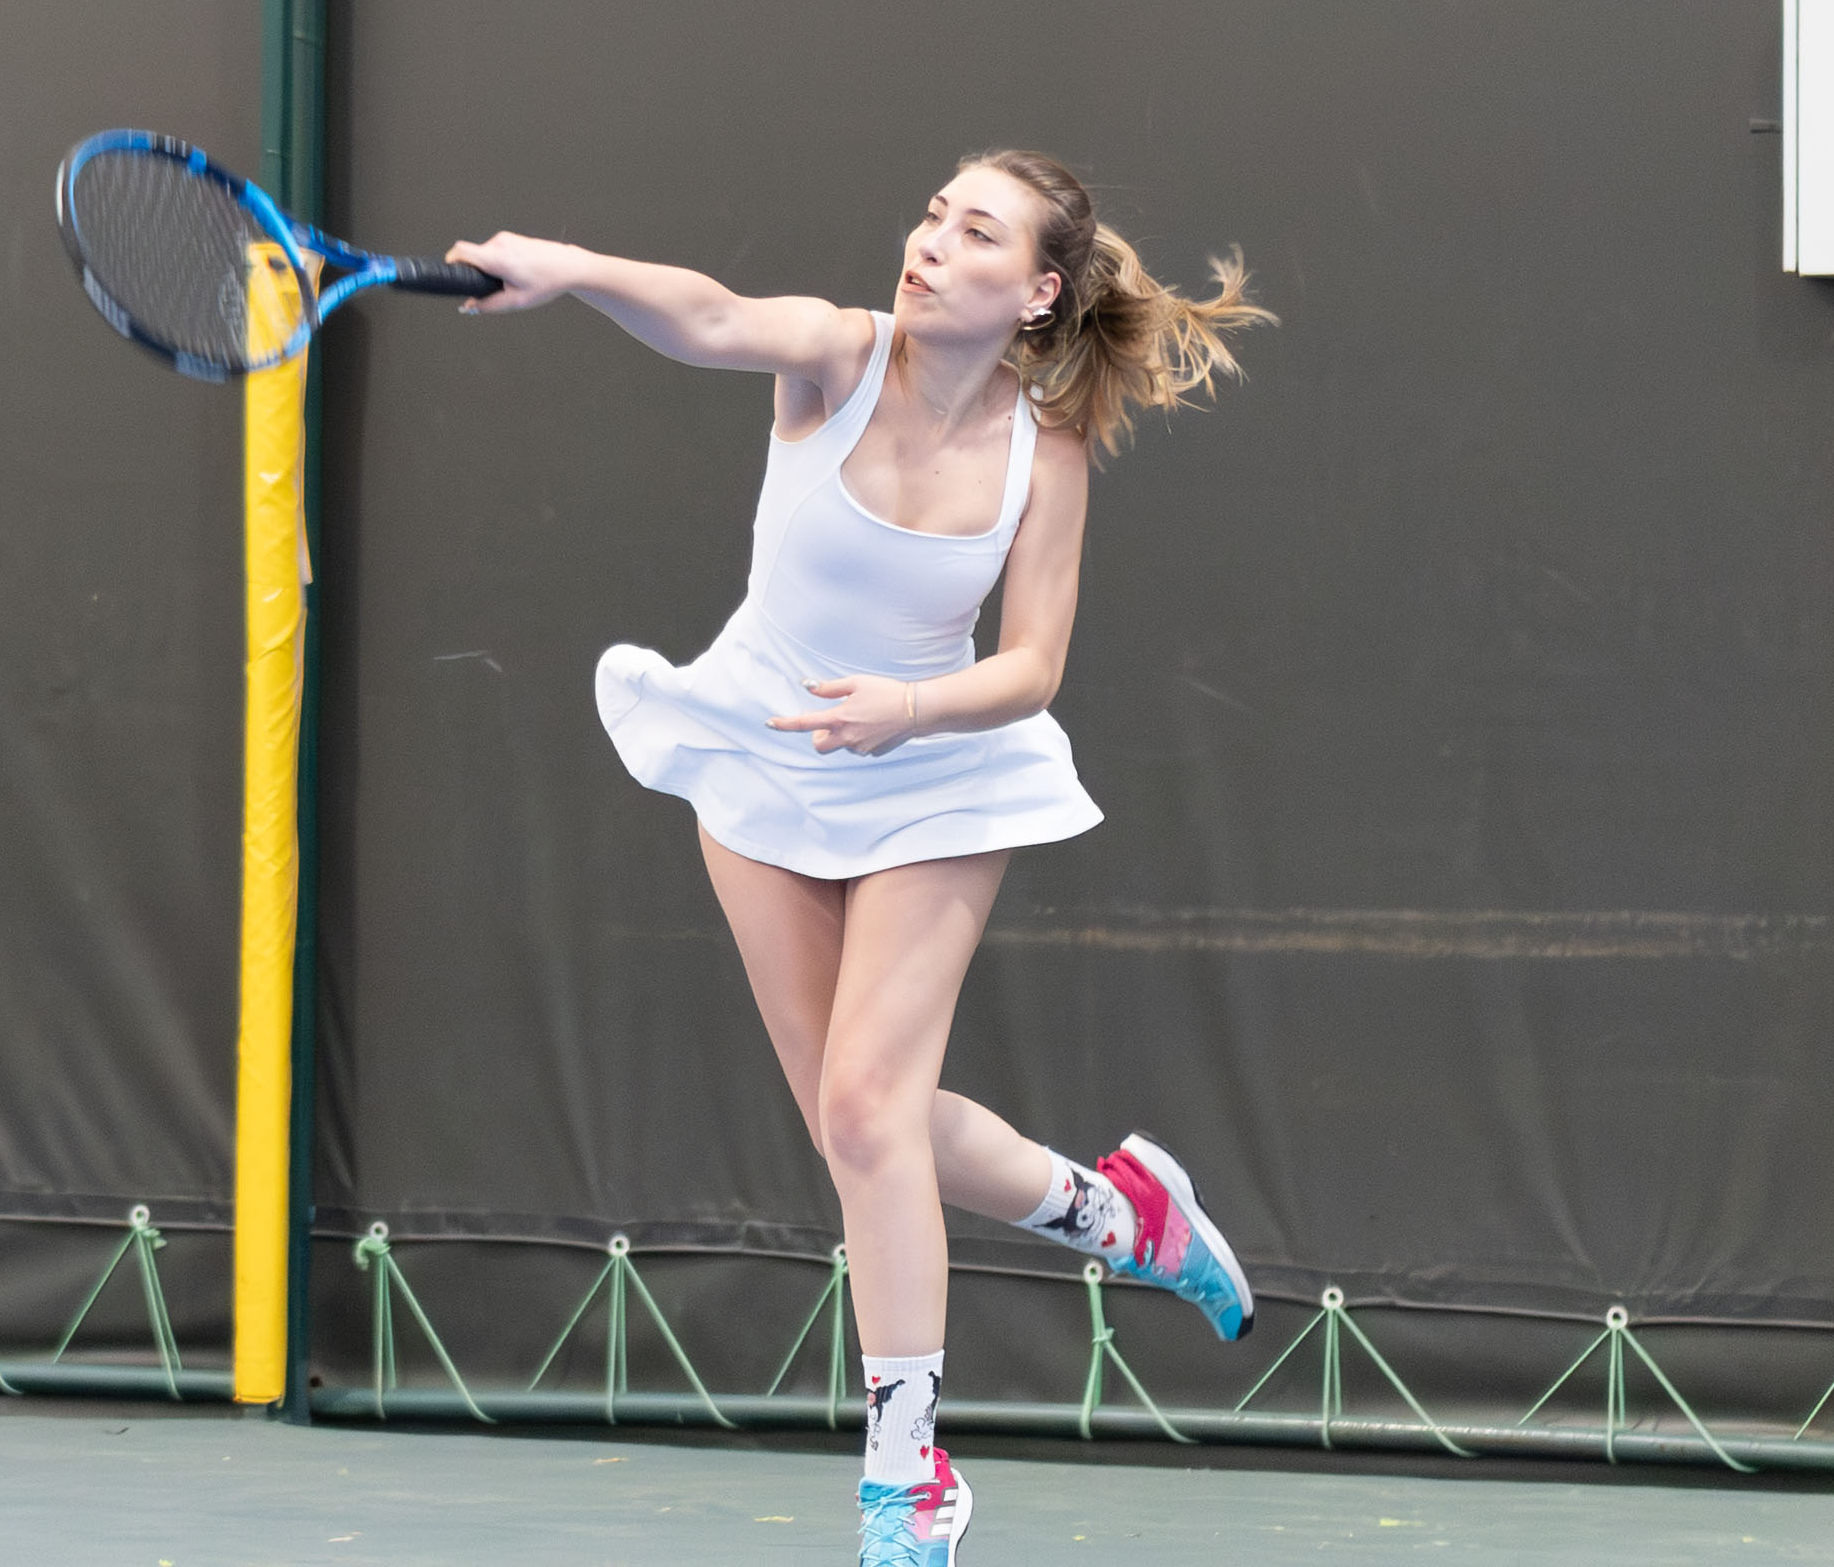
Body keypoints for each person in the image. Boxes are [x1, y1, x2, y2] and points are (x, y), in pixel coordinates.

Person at [449, 150, 1271, 1567]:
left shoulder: (1046, 451)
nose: (932, 241)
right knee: (860, 1126)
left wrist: (910, 707)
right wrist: (569, 271)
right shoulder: (836, 355)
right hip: (767, 747)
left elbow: (1032, 666)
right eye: (934, 214)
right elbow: (710, 316)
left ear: (1038, 292)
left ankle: (907, 1482)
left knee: (870, 1110)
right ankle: (1120, 1213)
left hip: (932, 765)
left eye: (977, 231)